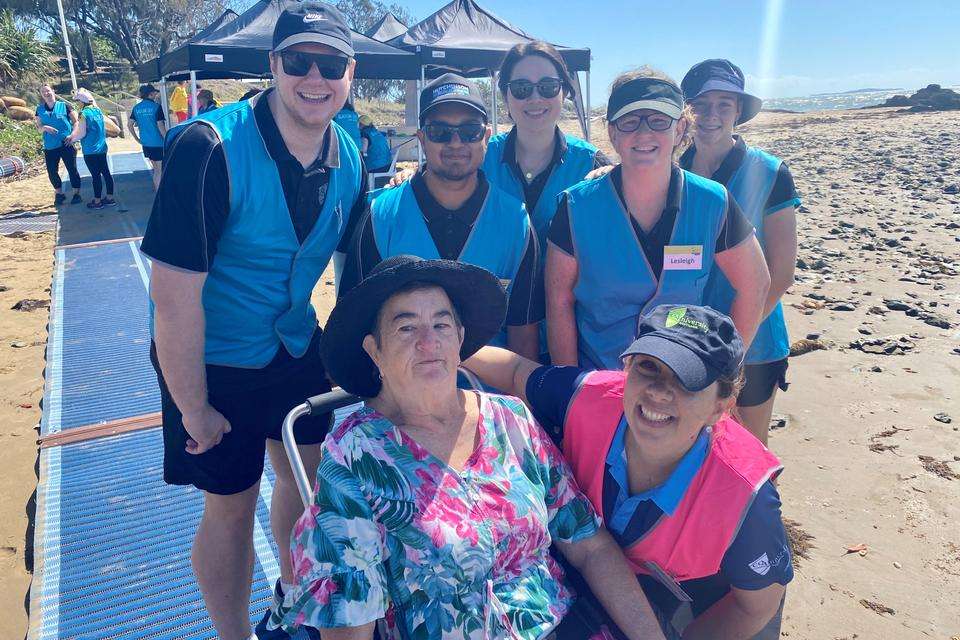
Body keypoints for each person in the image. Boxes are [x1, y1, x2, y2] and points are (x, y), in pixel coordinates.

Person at [273, 254, 666, 640]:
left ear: (460, 340)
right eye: (406, 328)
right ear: (375, 351)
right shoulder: (353, 459)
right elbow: (351, 623)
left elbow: (588, 546)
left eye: (441, 324)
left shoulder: (511, 420)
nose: (429, 342)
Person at [139, 3, 367, 639]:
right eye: (299, 61)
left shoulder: (349, 153)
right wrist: (194, 407)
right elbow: (174, 297)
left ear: (352, 74)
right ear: (273, 66)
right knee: (231, 508)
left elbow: (353, 271)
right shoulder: (206, 148)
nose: (314, 78)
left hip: (296, 343)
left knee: (310, 478)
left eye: (331, 64)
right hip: (215, 360)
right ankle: (234, 634)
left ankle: (292, 594)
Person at [463, 304, 793, 639]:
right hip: (608, 570)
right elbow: (516, 370)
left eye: (687, 381)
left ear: (720, 407)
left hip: (707, 592)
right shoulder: (587, 397)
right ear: (627, 369)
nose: (659, 391)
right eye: (649, 367)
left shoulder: (746, 495)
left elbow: (756, 606)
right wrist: (449, 351)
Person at [546, 68, 770, 371]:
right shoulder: (575, 206)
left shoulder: (713, 202)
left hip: (680, 383)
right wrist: (570, 390)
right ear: (612, 132)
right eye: (629, 121)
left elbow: (755, 284)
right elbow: (559, 301)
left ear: (679, 130)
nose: (643, 133)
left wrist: (721, 371)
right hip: (599, 379)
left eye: (659, 120)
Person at [340, 74, 544, 360]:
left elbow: (523, 334)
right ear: (422, 138)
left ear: (486, 136)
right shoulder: (381, 216)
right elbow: (354, 325)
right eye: (440, 131)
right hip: (400, 397)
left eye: (470, 130)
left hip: (485, 396)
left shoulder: (515, 223)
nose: (456, 142)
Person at [679, 59, 801, 446]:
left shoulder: (769, 171)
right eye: (700, 104)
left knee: (749, 448)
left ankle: (760, 510)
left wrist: (733, 345)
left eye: (724, 105)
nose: (711, 115)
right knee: (692, 446)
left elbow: (781, 273)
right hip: (689, 336)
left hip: (756, 341)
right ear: (686, 111)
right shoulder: (670, 172)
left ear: (737, 113)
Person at [67, 88, 115, 209]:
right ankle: (110, 198)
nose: (77, 104)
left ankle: (97, 201)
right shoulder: (97, 111)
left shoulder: (83, 114)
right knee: (106, 173)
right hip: (102, 148)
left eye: (78, 101)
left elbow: (82, 133)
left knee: (95, 176)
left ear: (81, 102)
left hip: (90, 149)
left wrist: (70, 139)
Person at [34, 83, 81, 206]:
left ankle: (76, 193)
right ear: (41, 95)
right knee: (52, 171)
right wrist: (44, 127)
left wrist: (73, 135)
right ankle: (59, 194)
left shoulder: (64, 106)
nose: (46, 93)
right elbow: (38, 128)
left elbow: (76, 122)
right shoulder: (39, 110)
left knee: (72, 169)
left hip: (66, 143)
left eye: (48, 91)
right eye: (43, 92)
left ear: (53, 91)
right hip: (50, 146)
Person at [128, 84, 167, 189]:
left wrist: (137, 139)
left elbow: (129, 124)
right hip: (158, 143)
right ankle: (160, 194)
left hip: (146, 143)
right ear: (150, 94)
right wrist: (168, 139)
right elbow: (160, 126)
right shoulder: (156, 107)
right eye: (154, 92)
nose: (156, 94)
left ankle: (157, 189)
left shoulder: (137, 108)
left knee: (156, 169)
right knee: (160, 170)